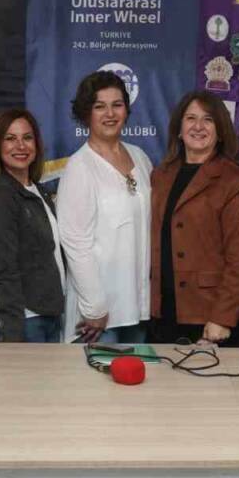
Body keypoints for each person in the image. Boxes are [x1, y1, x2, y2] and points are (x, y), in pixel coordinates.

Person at [148, 91, 239, 345]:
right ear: (179, 128)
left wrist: (222, 317)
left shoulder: (234, 181)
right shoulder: (161, 176)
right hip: (162, 312)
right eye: (191, 118)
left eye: (208, 120)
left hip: (210, 316)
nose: (198, 126)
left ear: (220, 131)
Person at [56, 70, 154, 344]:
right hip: (99, 318)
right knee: (98, 374)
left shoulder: (140, 158)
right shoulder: (80, 167)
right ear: (86, 113)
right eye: (100, 106)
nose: (110, 114)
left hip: (137, 307)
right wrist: (95, 308)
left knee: (138, 372)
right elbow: (75, 243)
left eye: (117, 104)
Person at [0, 109, 67, 343]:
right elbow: (4, 269)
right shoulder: (1, 196)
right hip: (26, 320)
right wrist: (14, 332)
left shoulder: (39, 190)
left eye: (27, 138)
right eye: (10, 138)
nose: (20, 146)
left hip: (50, 314)